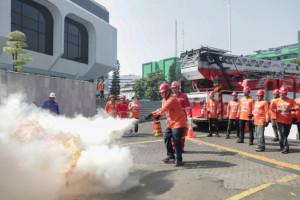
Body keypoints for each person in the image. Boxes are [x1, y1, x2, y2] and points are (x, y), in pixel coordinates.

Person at [145, 83, 187, 167]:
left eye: (162, 92)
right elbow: (164, 112)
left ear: (167, 91)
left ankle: (179, 160)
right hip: (172, 123)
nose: (161, 94)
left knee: (176, 140)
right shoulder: (164, 100)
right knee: (166, 137)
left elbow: (164, 108)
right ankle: (170, 156)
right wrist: (158, 117)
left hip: (179, 123)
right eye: (160, 93)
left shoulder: (172, 99)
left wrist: (152, 114)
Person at [271, 86, 296, 154]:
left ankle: (282, 145)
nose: (281, 94)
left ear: (286, 94)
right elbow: (272, 109)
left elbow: (297, 107)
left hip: (288, 120)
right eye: (280, 93)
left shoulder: (291, 100)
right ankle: (286, 148)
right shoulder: (276, 101)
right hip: (280, 120)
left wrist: (291, 109)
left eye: (283, 93)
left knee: (285, 134)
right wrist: (276, 110)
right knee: (283, 132)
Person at [171, 81, 192, 152]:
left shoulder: (184, 96)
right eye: (173, 88)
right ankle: (174, 147)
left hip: (182, 119)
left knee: (183, 134)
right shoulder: (171, 97)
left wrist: (190, 116)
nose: (174, 90)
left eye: (176, 88)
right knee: (173, 134)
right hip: (174, 119)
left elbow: (188, 107)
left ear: (178, 88)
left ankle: (181, 147)